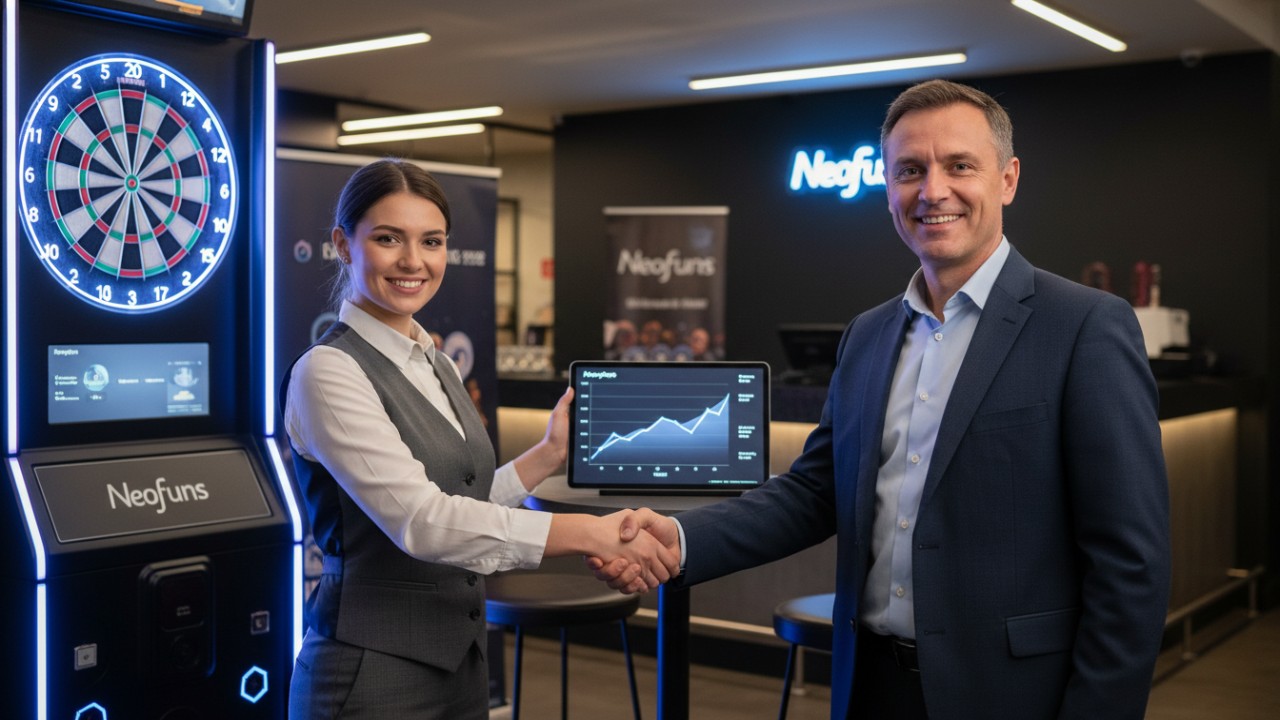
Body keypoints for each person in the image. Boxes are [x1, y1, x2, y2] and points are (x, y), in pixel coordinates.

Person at [595, 80, 1171, 719]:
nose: (932, 190)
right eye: (909, 170)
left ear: (1007, 179)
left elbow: (1130, 565)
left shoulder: (1085, 326)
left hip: (1012, 696)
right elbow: (816, 492)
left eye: (959, 166)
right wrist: (677, 539)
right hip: (870, 685)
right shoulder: (868, 335)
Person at [283, 159, 676, 720]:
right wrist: (592, 533)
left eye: (432, 241)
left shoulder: (437, 362)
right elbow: (424, 521)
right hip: (371, 677)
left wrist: (548, 455)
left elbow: (464, 503)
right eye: (389, 239)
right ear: (344, 245)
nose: (413, 261)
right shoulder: (328, 371)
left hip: (461, 667)